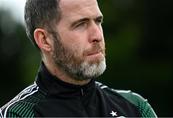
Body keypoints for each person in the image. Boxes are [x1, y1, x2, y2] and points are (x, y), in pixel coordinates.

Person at [0, 0, 157, 117]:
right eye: (80, 24)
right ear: (45, 40)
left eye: (98, 21)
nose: (97, 35)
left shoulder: (135, 107)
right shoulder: (18, 114)